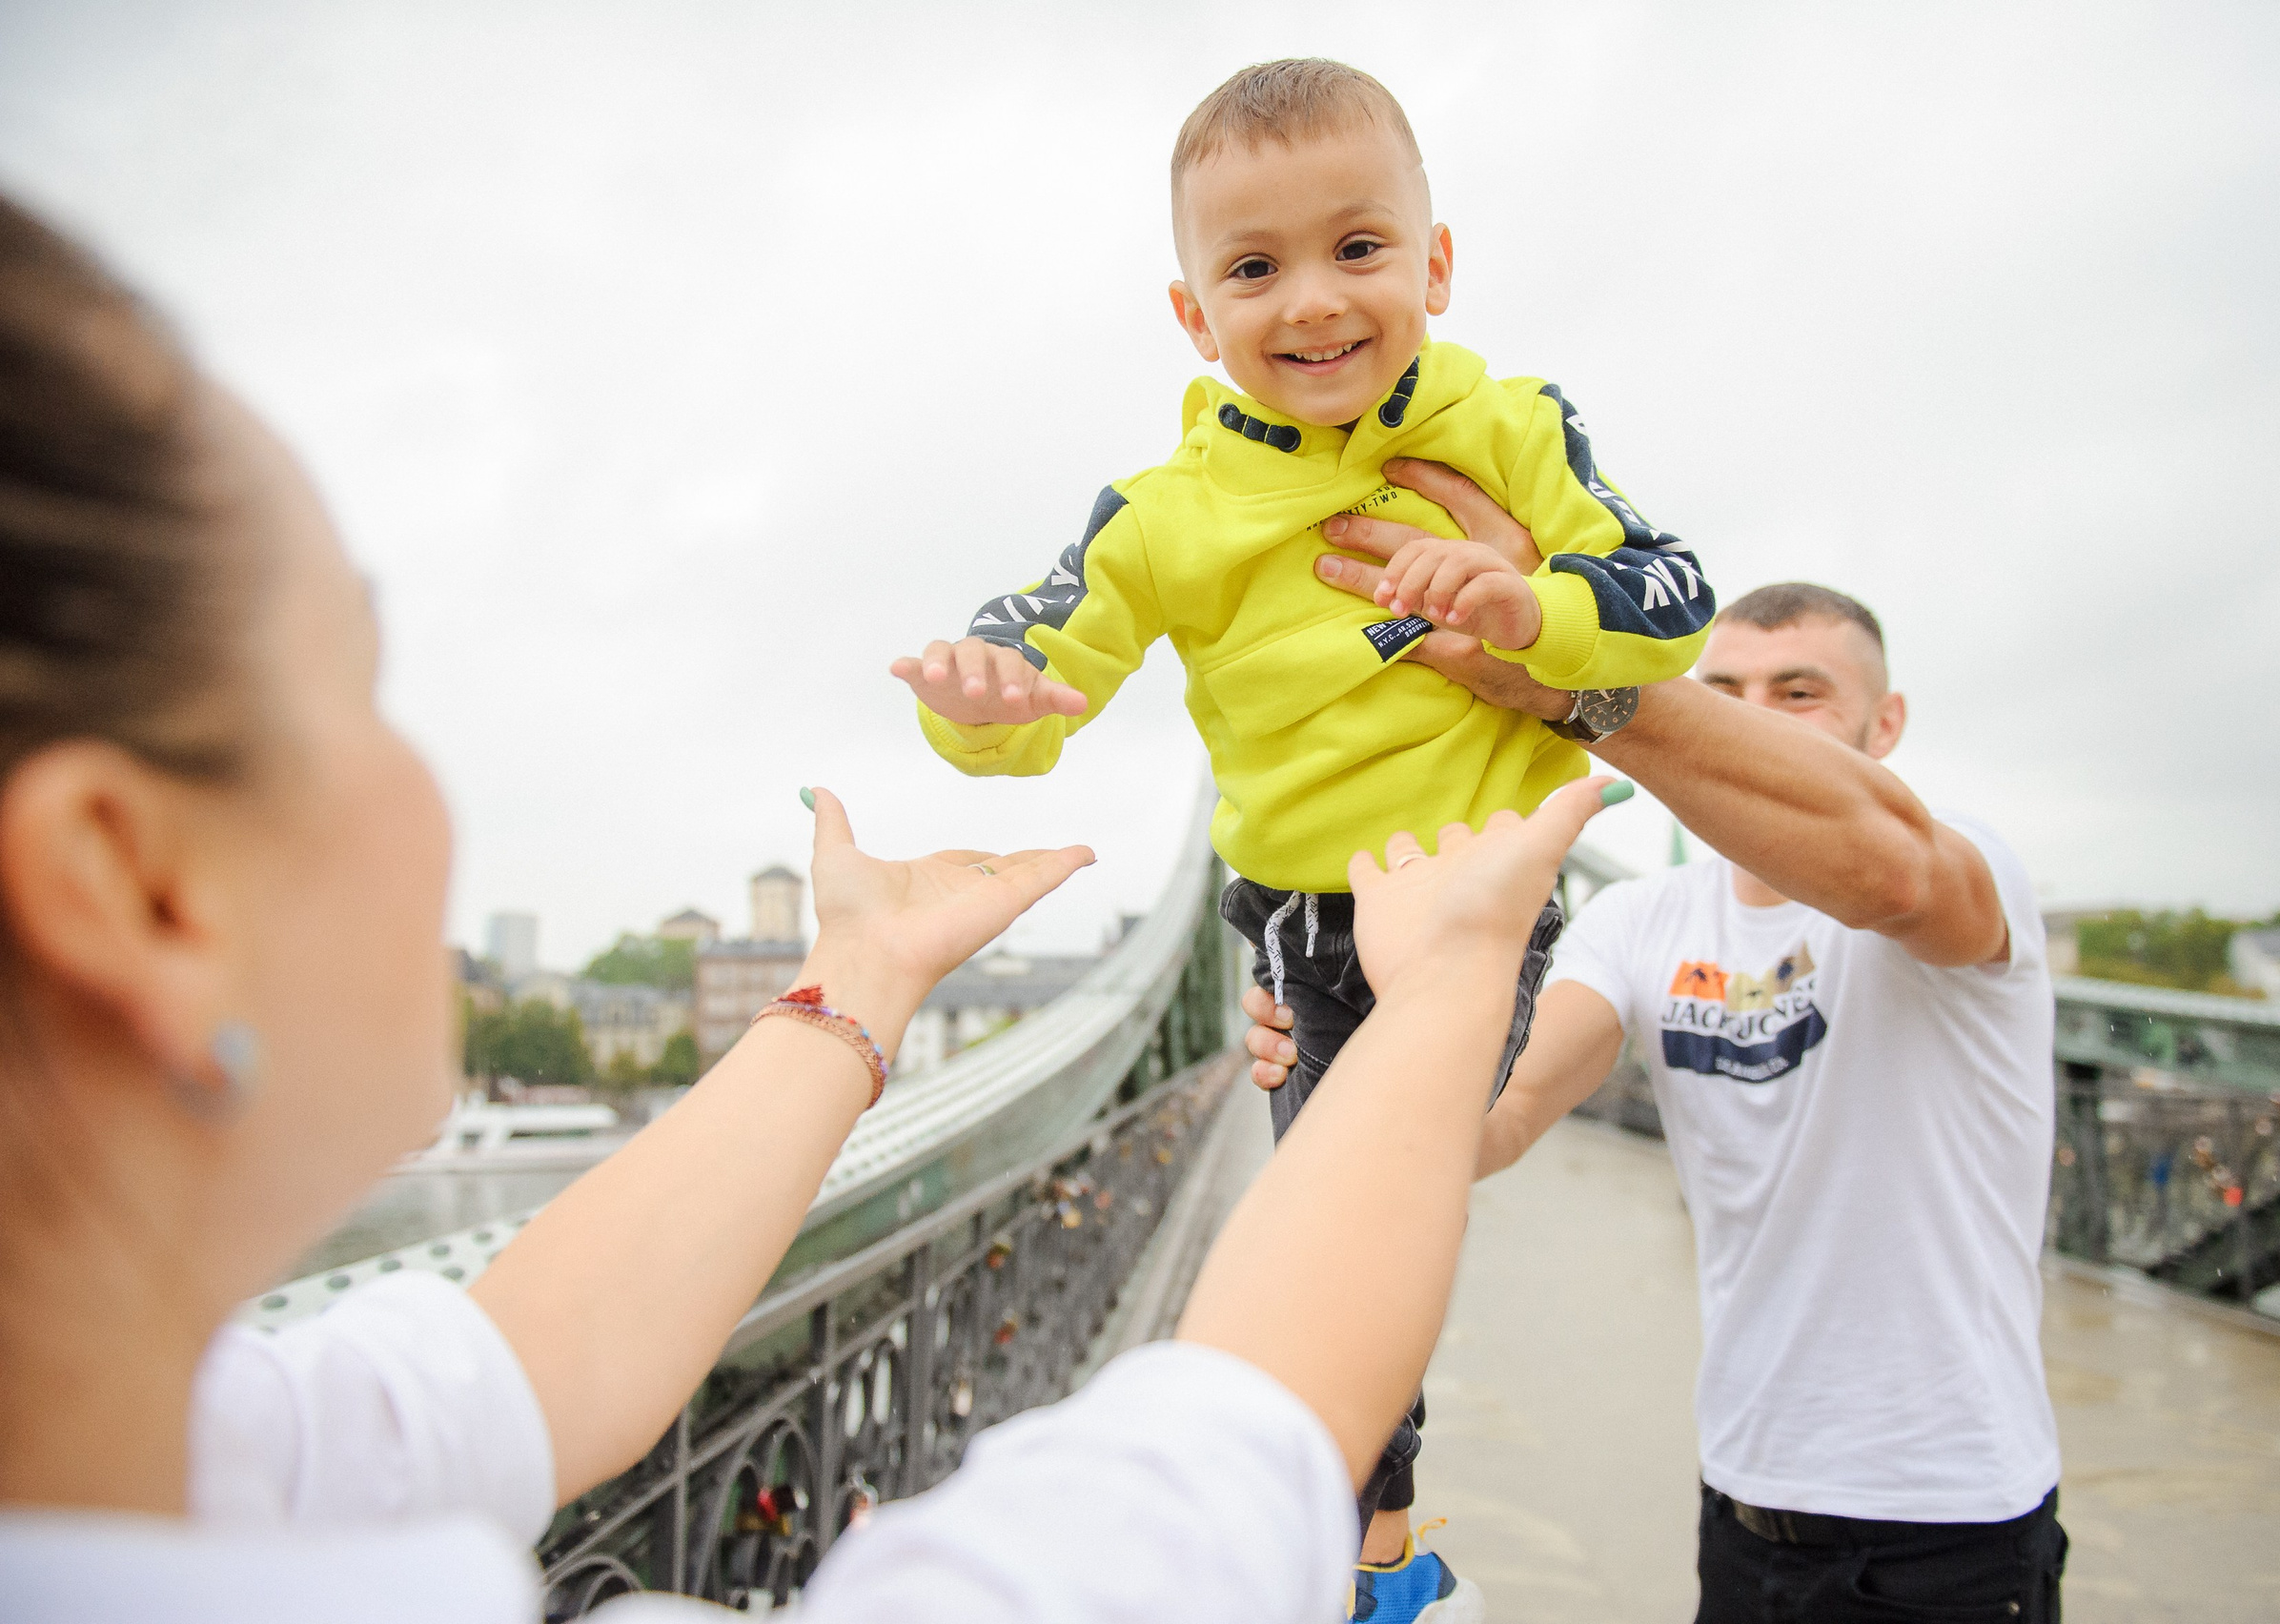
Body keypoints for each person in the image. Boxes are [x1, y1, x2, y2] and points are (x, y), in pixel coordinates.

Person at [0, 190, 1622, 1623]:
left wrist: (859, 977)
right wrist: (1442, 987)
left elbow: (522, 1361)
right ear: (136, 887)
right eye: (362, 685)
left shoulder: (200, 1460)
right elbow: (1203, 1479)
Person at [888, 57, 1715, 1596]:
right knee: (1324, 1248)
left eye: (1359, 247)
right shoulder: (1160, 512)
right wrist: (979, 701)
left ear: (1437, 265)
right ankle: (1373, 1564)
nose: (1314, 300)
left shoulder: (1515, 428)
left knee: (1370, 1209)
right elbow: (1039, 660)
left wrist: (1533, 603)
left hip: (1475, 898)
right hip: (1298, 924)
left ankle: (1358, 1560)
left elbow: (1675, 599)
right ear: (1194, 314)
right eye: (1255, 268)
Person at [1248, 460, 2072, 1620]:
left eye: (1798, 694)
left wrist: (1570, 670)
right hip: (1741, 1501)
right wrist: (1349, 1051)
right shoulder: (1639, 920)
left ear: (1882, 725)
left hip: (1953, 1520)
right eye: (1721, 689)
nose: (1751, 717)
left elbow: (1889, 872)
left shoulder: (1967, 871)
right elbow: (1493, 1124)